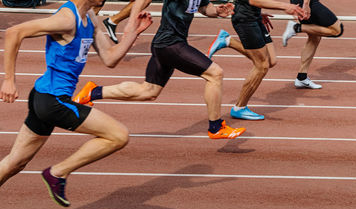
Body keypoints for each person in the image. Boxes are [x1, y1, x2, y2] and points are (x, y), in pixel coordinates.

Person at [0, 0, 152, 207]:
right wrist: (9, 80)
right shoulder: (67, 19)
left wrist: (133, 33)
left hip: (45, 96)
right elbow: (14, 32)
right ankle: (57, 173)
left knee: (14, 163)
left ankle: (57, 173)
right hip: (53, 101)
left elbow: (110, 58)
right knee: (118, 135)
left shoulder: (89, 17)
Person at [73, 0, 246, 139]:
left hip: (167, 44)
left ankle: (93, 92)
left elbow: (202, 7)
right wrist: (130, 26)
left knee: (148, 91)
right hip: (170, 44)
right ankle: (215, 127)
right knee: (215, 73)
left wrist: (217, 11)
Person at [206, 0, 306, 120]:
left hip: (254, 16)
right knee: (262, 65)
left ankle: (228, 40)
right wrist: (285, 6)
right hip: (245, 20)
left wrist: (258, 12)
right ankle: (239, 108)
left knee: (271, 61)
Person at [281, 0, 344, 89]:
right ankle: (296, 28)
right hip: (307, 2)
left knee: (314, 37)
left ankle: (301, 78)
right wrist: (306, 4)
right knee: (337, 30)